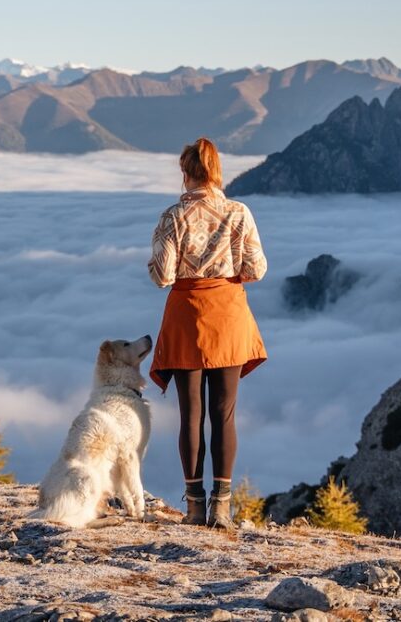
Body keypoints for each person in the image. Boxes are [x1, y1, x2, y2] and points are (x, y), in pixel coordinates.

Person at [147, 137, 268, 528]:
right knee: (224, 414)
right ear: (217, 172)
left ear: (185, 173)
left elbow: (163, 276)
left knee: (191, 415)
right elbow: (257, 269)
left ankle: (194, 506)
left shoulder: (172, 217)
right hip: (229, 316)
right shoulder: (239, 212)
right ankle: (222, 506)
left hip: (187, 318)